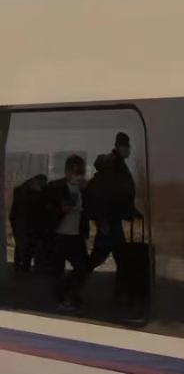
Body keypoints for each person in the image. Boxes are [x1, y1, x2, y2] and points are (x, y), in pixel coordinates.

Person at [85, 132, 145, 319]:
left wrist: (131, 211)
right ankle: (71, 285)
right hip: (108, 223)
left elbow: (120, 195)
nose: (128, 149)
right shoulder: (112, 165)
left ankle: (122, 295)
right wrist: (101, 220)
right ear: (119, 146)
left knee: (118, 259)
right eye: (126, 146)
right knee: (101, 259)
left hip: (112, 221)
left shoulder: (116, 164)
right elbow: (106, 196)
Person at [44, 155, 89, 312]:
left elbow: (90, 208)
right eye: (75, 172)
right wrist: (60, 210)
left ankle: (70, 291)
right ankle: (61, 299)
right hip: (59, 234)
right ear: (67, 172)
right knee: (57, 269)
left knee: (83, 267)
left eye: (81, 172)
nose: (78, 176)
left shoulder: (84, 189)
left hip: (76, 235)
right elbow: (45, 210)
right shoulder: (55, 187)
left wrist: (87, 190)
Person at [8, 173, 47, 274]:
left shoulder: (21, 190)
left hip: (22, 225)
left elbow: (15, 211)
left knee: (22, 247)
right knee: (26, 248)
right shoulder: (28, 192)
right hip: (27, 225)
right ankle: (23, 268)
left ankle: (19, 267)